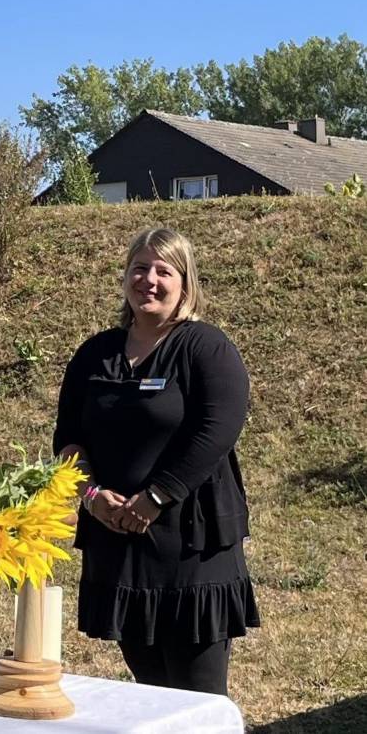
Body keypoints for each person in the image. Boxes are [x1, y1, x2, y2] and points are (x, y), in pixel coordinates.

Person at [53, 227, 259, 695]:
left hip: (191, 548)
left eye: (164, 270)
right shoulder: (95, 354)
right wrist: (90, 497)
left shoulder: (206, 348)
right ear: (124, 277)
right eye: (139, 268)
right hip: (119, 547)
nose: (149, 279)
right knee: (150, 691)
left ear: (185, 284)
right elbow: (67, 438)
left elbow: (218, 431)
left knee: (197, 699)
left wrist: (157, 496)